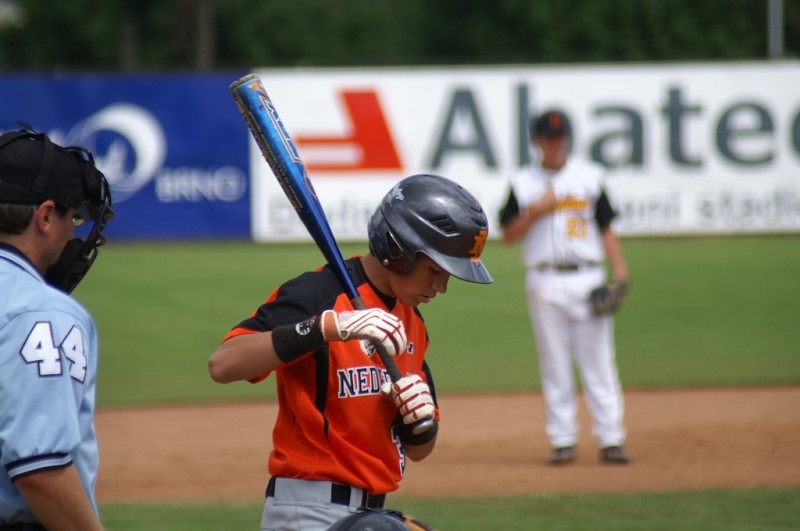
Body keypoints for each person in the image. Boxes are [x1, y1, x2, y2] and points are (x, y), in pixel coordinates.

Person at [209, 174, 492, 531]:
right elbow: (223, 364)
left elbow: (420, 450)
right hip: (308, 512)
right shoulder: (318, 295)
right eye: (435, 270)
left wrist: (420, 424)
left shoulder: (412, 322)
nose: (442, 286)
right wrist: (326, 328)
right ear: (398, 250)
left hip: (372, 514)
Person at [499, 110, 630, 465]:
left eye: (559, 137)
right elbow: (507, 236)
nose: (555, 143)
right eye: (548, 137)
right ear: (536, 141)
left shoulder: (590, 177)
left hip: (588, 276)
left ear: (567, 139)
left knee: (599, 361)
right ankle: (562, 440)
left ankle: (611, 438)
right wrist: (535, 211)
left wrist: (619, 273)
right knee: (554, 363)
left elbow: (606, 227)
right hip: (543, 279)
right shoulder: (522, 182)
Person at [0, 128, 114, 529]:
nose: (74, 234)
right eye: (74, 217)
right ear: (46, 216)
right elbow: (41, 472)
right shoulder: (41, 311)